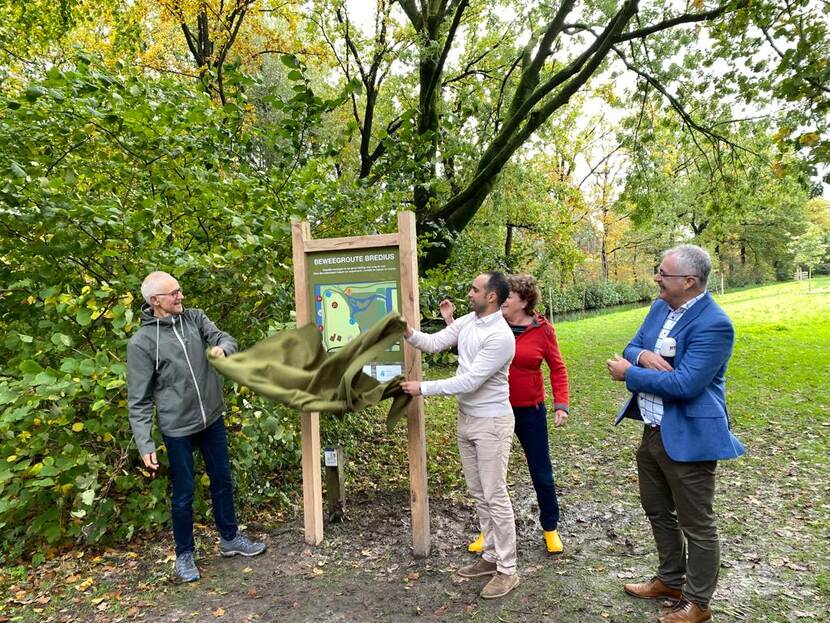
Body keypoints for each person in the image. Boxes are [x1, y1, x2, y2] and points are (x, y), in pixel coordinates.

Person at [607, 245, 745, 623]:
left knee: (697, 524)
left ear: (689, 281)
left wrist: (629, 373)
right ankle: (670, 579)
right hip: (652, 430)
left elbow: (686, 383)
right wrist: (643, 358)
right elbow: (631, 346)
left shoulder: (714, 323)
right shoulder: (659, 308)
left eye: (662, 273)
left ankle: (698, 603)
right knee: (656, 510)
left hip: (689, 437)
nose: (656, 278)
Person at [127, 271, 266, 583]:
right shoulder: (142, 343)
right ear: (155, 301)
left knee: (222, 480)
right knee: (184, 493)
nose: (181, 297)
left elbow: (225, 338)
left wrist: (222, 350)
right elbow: (138, 399)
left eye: (180, 291)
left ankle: (230, 539)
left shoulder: (195, 318)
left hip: (211, 418)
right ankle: (184, 555)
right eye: (174, 293)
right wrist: (145, 444)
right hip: (177, 428)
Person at [400, 272, 519, 599]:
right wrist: (408, 332)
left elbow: (468, 381)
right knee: (478, 491)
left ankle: (508, 570)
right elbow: (435, 342)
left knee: (495, 494)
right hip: (467, 419)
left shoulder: (501, 337)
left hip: (492, 423)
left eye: (474, 289)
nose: (469, 293)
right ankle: (491, 556)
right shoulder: (469, 321)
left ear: (491, 296)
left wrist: (422, 388)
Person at [440, 274, 570, 554]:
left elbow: (557, 368)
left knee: (541, 471)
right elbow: (469, 346)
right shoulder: (493, 324)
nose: (502, 300)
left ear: (524, 301)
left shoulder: (543, 330)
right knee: (489, 478)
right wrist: (451, 323)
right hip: (492, 411)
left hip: (529, 411)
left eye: (509, 296)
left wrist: (561, 404)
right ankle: (487, 534)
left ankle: (550, 528)